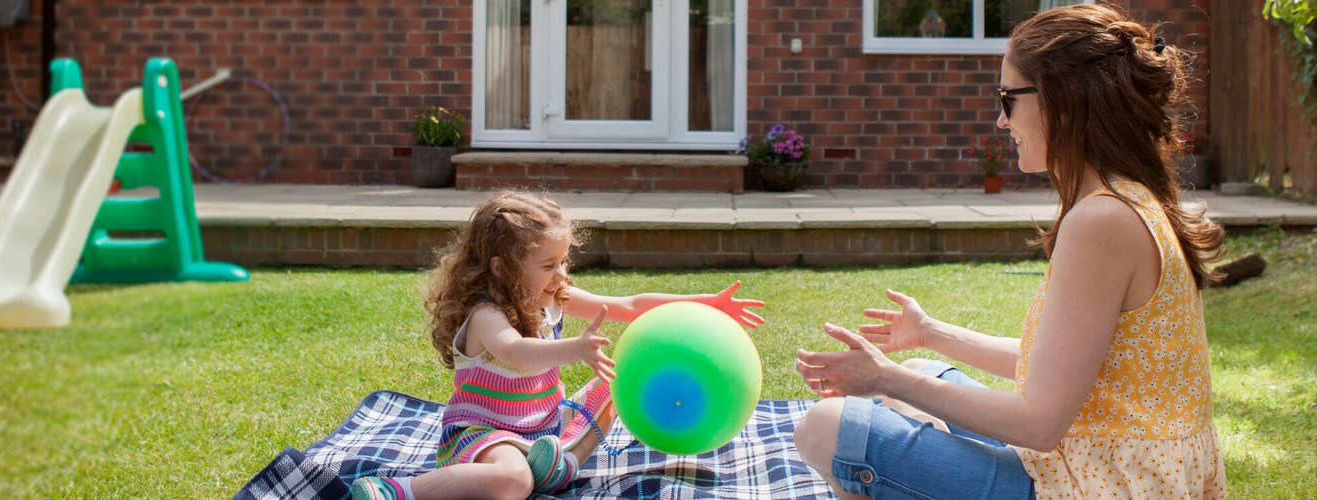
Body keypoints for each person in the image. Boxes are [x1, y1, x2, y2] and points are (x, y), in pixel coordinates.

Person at [792, 4, 1227, 499]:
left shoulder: (1102, 220)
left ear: (1062, 103)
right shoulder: (1128, 198)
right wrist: (930, 335)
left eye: (1007, 98)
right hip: (1115, 465)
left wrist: (883, 379)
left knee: (827, 427)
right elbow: (1062, 368)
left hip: (1100, 484)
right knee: (919, 375)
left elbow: (1039, 423)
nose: (1001, 120)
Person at [352, 191, 765, 500]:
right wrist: (574, 348)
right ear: (503, 267)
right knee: (513, 482)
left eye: (563, 261)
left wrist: (706, 302)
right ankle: (401, 490)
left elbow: (630, 305)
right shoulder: (485, 315)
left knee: (617, 382)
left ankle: (564, 461)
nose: (561, 274)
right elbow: (516, 352)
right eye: (549, 265)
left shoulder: (555, 296)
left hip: (544, 429)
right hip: (485, 434)